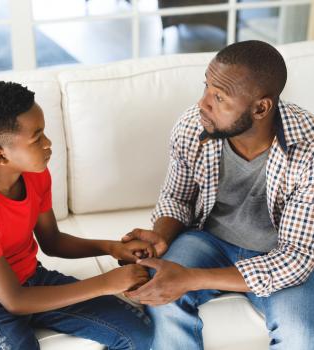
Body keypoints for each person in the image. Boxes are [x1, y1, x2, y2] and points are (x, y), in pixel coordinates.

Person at [122, 40, 314, 349]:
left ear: (261, 107)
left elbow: (296, 258)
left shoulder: (308, 149)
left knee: (301, 336)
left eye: (219, 97)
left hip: (279, 253)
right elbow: (177, 199)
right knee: (162, 298)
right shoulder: (192, 127)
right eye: (207, 88)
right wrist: (162, 235)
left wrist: (192, 278)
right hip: (208, 240)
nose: (203, 103)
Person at [0, 81, 154, 350]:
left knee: (140, 332)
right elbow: (14, 301)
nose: (48, 143)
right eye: (37, 137)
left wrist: (113, 248)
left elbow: (52, 241)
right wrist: (105, 283)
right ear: (0, 156)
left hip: (32, 280)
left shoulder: (36, 174)